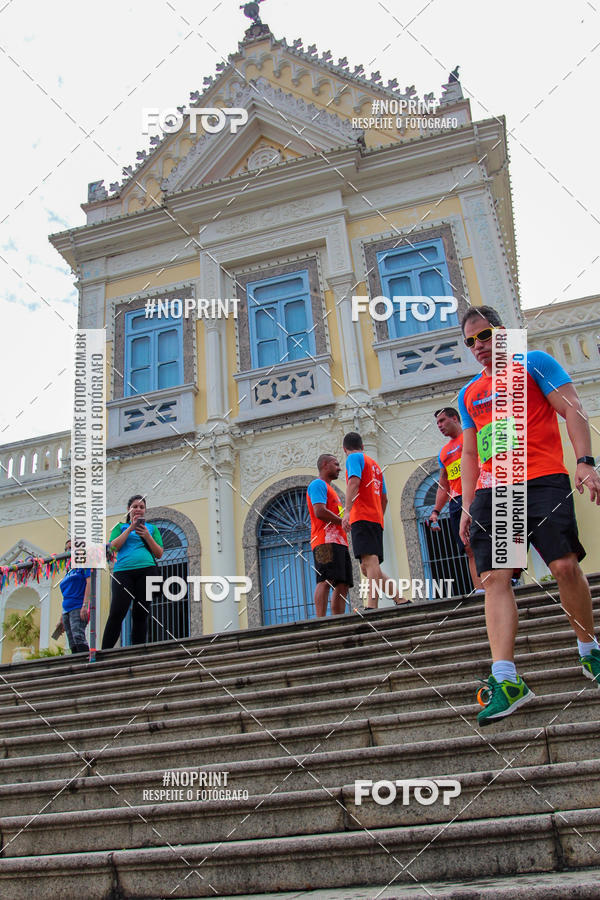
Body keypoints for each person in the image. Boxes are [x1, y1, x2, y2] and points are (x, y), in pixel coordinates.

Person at [458, 305, 600, 726]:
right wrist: (467, 504)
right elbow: (468, 451)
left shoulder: (534, 363)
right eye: (470, 341)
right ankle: (507, 679)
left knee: (563, 566)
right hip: (494, 489)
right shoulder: (469, 393)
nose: (479, 346)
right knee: (496, 577)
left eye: (485, 336)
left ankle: (589, 652)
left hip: (541, 479)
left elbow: (573, 408)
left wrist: (586, 461)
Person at [341, 432, 409, 609]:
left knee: (370, 562)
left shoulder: (353, 458)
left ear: (344, 449)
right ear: (363, 446)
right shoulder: (375, 466)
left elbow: (353, 483)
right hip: (375, 518)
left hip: (361, 516)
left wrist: (347, 511)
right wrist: (378, 516)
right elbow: (384, 498)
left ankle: (371, 605)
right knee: (366, 566)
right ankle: (399, 598)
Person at [429, 407, 484, 593]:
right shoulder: (443, 452)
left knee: (489, 541)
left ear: (455, 418)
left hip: (479, 494)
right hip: (457, 501)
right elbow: (444, 484)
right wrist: (436, 510)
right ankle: (480, 589)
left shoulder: (472, 435)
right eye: (437, 423)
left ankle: (506, 580)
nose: (440, 426)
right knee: (468, 547)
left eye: (443, 420)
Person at [101, 494, 164, 649]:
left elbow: (159, 553)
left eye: (141, 507)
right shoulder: (120, 527)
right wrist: (130, 528)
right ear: (128, 510)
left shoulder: (152, 529)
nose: (138, 509)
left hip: (147, 571)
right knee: (117, 611)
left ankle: (137, 652)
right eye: (135, 507)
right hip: (123, 572)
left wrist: (147, 535)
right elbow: (112, 548)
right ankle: (105, 651)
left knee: (141, 612)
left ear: (145, 511)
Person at [307, 454, 353, 617]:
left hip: (340, 542)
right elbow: (319, 511)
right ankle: (320, 621)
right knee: (325, 580)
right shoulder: (318, 485)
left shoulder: (331, 490)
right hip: (324, 541)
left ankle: (338, 621)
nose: (340, 468)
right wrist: (342, 521)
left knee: (343, 583)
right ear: (325, 465)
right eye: (336, 464)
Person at [59, 539, 90, 654]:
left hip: (78, 606)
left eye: (71, 548)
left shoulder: (83, 565)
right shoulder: (68, 571)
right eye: (66, 548)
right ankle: (76, 663)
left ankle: (85, 662)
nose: (68, 551)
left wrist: (85, 605)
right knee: (71, 640)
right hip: (66, 609)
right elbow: (65, 595)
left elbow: (89, 583)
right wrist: (61, 616)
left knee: (78, 635)